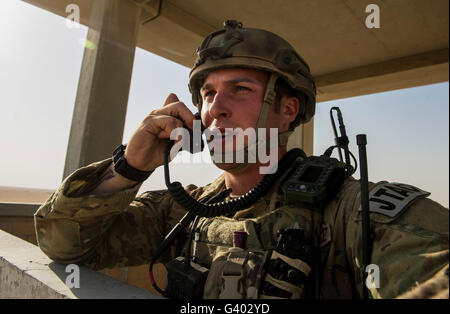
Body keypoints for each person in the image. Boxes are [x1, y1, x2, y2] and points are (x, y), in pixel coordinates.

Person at [34, 20, 448, 299]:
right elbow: (63, 246)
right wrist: (129, 167)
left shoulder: (351, 213)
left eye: (240, 89)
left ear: (288, 109)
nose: (216, 108)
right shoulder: (184, 209)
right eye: (209, 94)